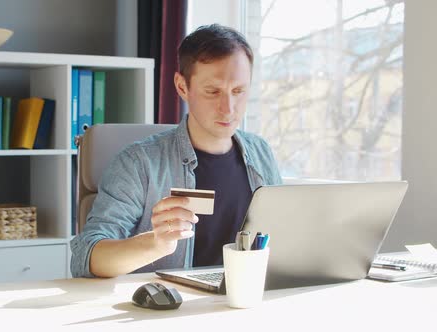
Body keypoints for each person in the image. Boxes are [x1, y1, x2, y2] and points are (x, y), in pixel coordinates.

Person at [70, 24, 282, 278]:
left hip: (246, 299)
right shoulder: (138, 163)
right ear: (182, 87)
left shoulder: (261, 153)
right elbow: (85, 259)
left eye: (238, 91)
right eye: (213, 92)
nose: (228, 108)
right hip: (172, 311)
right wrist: (155, 244)